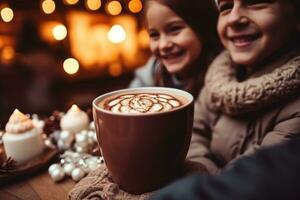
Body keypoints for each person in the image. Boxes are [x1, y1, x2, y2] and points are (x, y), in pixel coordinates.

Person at [186, 0, 300, 175]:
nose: (234, 18)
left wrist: (198, 180)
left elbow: (247, 182)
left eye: (255, 2)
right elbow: (192, 136)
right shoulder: (217, 81)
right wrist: (200, 171)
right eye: (225, 7)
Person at [151, 136, 300, 200]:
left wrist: (209, 178)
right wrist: (200, 168)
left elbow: (262, 173)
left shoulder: (294, 106)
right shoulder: (215, 81)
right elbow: (197, 131)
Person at [129, 0, 221, 99]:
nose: (163, 45)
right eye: (154, 35)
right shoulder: (151, 74)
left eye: (174, 29)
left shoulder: (223, 80)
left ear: (202, 29)